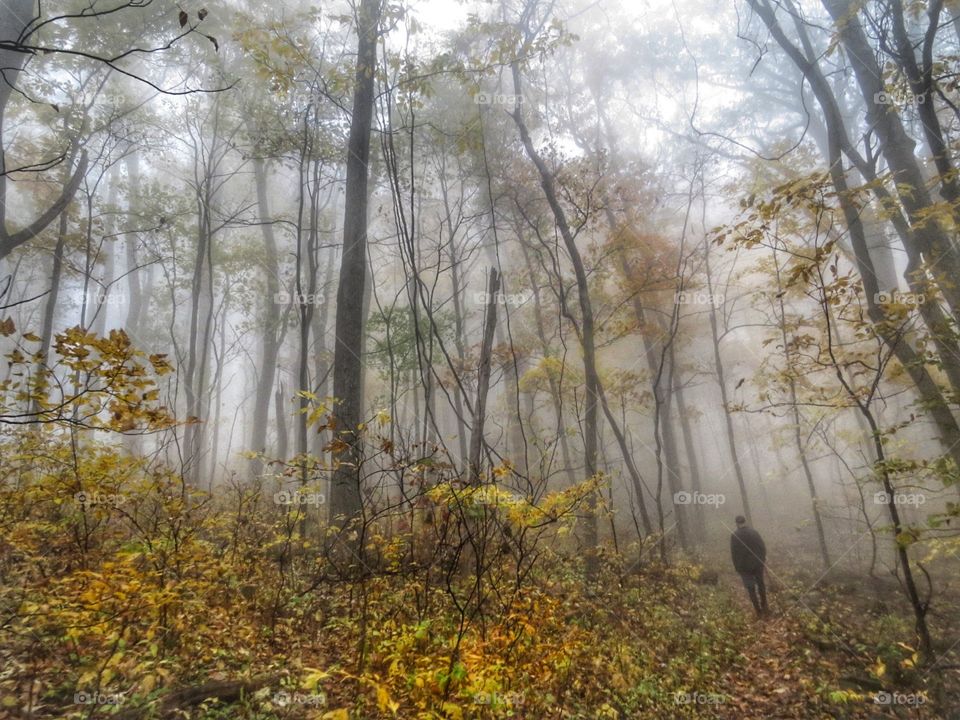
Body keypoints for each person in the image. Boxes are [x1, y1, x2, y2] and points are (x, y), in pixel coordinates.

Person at [730, 515, 768, 616]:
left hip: (744, 567)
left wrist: (737, 567)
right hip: (757, 564)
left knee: (751, 588)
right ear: (745, 522)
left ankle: (758, 611)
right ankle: (765, 606)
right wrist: (762, 559)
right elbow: (762, 547)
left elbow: (734, 554)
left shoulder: (734, 535)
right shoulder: (754, 532)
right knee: (761, 585)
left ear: (737, 523)